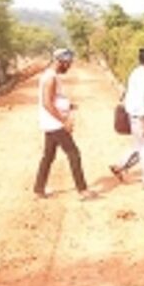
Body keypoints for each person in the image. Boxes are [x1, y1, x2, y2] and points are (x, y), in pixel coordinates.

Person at [34, 48, 97, 200]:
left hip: (52, 123)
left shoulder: (53, 76)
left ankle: (39, 188)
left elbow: (54, 99)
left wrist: (68, 106)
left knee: (48, 156)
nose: (69, 66)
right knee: (74, 154)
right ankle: (82, 190)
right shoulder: (50, 78)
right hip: (55, 124)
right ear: (59, 61)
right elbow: (47, 103)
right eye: (67, 63)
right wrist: (64, 121)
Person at [110, 48, 144, 190]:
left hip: (134, 115)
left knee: (139, 145)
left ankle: (120, 166)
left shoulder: (137, 72)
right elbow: (143, 100)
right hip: (141, 116)